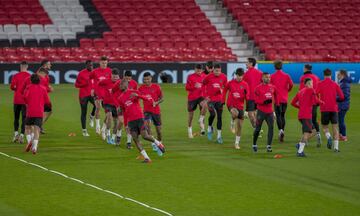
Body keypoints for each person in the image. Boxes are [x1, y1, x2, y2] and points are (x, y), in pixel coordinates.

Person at [116, 79, 165, 163]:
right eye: (120, 84)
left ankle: (158, 143)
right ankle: (147, 158)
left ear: (126, 84)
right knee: (135, 139)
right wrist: (126, 125)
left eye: (122, 84)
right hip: (131, 121)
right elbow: (124, 112)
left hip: (139, 118)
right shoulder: (120, 98)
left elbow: (148, 99)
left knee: (145, 136)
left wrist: (138, 96)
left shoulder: (134, 92)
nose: (120, 85)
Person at [291, 78, 322, 157]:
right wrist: (323, 102)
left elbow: (292, 103)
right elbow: (316, 100)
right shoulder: (311, 90)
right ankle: (300, 152)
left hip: (301, 115)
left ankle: (299, 144)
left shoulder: (300, 92)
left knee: (314, 131)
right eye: (310, 83)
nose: (311, 85)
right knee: (307, 133)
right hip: (306, 115)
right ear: (306, 84)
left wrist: (300, 107)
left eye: (311, 83)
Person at [316, 69, 344, 152]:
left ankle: (329, 137)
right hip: (334, 108)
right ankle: (336, 148)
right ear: (331, 75)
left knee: (325, 127)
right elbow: (342, 97)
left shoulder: (320, 84)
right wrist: (335, 100)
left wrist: (319, 101)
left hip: (324, 108)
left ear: (324, 75)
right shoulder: (335, 84)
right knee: (335, 127)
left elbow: (315, 94)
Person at [24, 73, 51, 154]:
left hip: (30, 111)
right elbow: (47, 101)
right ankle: (35, 147)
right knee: (37, 130)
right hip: (39, 112)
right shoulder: (43, 89)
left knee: (27, 127)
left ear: (31, 80)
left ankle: (29, 142)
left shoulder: (28, 88)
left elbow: (25, 98)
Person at [223, 68, 249, 149]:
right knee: (235, 113)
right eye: (238, 76)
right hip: (231, 104)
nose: (240, 78)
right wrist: (223, 100)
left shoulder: (245, 85)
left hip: (240, 106)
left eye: (241, 76)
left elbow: (247, 97)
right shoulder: (230, 83)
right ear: (236, 75)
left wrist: (247, 110)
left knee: (240, 126)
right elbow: (224, 90)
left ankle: (237, 143)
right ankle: (232, 122)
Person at [253, 72, 278, 153]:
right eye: (266, 77)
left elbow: (276, 95)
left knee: (271, 128)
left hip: (270, 112)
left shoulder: (273, 87)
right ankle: (254, 144)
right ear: (262, 78)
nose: (268, 79)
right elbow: (256, 100)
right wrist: (264, 102)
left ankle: (269, 146)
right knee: (258, 129)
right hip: (261, 111)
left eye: (269, 77)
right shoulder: (258, 88)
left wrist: (277, 105)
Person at [139, 72, 164, 153]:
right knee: (147, 125)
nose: (146, 81)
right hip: (147, 111)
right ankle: (154, 143)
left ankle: (160, 144)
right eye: (145, 79)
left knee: (159, 131)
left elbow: (162, 98)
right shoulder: (141, 88)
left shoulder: (156, 87)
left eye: (148, 79)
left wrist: (156, 103)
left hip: (156, 111)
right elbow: (137, 97)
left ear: (151, 78)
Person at [203, 64, 227, 144]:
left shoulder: (224, 77)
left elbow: (225, 87)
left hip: (219, 100)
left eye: (219, 71)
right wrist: (205, 96)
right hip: (210, 100)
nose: (218, 73)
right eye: (216, 71)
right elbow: (203, 85)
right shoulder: (208, 77)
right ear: (213, 70)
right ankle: (209, 128)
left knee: (219, 117)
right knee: (212, 114)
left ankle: (219, 136)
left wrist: (222, 90)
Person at [270, 60, 293, 142]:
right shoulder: (286, 76)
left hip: (277, 99)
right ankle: (282, 130)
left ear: (274, 66)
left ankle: (281, 131)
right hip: (284, 98)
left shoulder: (272, 76)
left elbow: (270, 87)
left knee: (278, 115)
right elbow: (291, 85)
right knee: (283, 115)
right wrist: (287, 90)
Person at [299, 64, 321, 146]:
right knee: (314, 120)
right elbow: (319, 89)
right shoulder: (316, 77)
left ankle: (305, 140)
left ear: (305, 69)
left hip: (306, 103)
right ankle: (318, 135)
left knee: (305, 121)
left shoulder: (303, 78)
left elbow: (301, 91)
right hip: (315, 101)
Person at [98, 68, 121, 144]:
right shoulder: (105, 81)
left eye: (116, 77)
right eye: (113, 77)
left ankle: (112, 136)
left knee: (116, 122)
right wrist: (101, 95)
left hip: (116, 104)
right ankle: (107, 134)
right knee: (109, 116)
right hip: (107, 103)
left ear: (118, 76)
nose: (115, 78)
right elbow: (98, 85)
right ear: (111, 75)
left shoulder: (120, 83)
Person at [10, 61, 31, 143]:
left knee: (16, 118)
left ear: (20, 66)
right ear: (27, 66)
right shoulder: (29, 76)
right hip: (25, 101)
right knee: (24, 118)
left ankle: (16, 134)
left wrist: (17, 89)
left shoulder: (15, 76)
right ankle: (22, 135)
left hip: (17, 100)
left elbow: (12, 87)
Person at [90, 56, 112, 134]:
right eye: (103, 63)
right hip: (97, 92)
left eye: (105, 63)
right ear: (100, 63)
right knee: (98, 107)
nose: (104, 64)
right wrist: (92, 88)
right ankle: (97, 126)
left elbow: (112, 81)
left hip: (106, 94)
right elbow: (91, 79)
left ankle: (104, 127)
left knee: (109, 112)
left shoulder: (110, 71)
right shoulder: (95, 71)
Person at [75, 60, 96, 136]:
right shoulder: (81, 73)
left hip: (92, 94)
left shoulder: (94, 73)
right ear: (86, 65)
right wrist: (84, 84)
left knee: (97, 106)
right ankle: (84, 131)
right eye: (89, 65)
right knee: (83, 112)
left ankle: (92, 116)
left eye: (92, 65)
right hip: (83, 95)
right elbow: (76, 85)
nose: (91, 67)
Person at [185, 64, 206, 138]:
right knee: (191, 115)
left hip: (201, 97)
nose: (198, 71)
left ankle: (202, 128)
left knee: (204, 107)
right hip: (192, 98)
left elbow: (206, 87)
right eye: (197, 70)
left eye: (200, 70)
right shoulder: (190, 76)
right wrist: (194, 86)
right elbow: (187, 88)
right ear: (195, 69)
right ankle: (189, 130)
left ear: (202, 70)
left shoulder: (204, 76)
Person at [243, 58, 263, 129]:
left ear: (251, 64)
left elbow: (243, 86)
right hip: (258, 97)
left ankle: (257, 129)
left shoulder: (246, 74)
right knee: (255, 113)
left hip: (250, 97)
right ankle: (257, 129)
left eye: (247, 62)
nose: (246, 63)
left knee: (250, 114)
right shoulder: (260, 73)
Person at [123, 70, 138, 148]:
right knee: (126, 124)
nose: (128, 80)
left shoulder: (134, 83)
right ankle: (118, 136)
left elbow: (136, 94)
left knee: (131, 124)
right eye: (127, 78)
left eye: (130, 78)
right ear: (124, 77)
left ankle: (129, 142)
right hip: (124, 106)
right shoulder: (121, 84)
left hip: (132, 107)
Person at [39, 59, 53, 134]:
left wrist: (48, 87)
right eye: (49, 64)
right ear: (45, 64)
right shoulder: (41, 72)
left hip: (43, 95)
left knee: (47, 111)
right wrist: (48, 89)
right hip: (41, 95)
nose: (50, 65)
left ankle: (39, 126)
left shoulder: (44, 72)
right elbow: (40, 85)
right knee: (47, 111)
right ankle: (38, 126)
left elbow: (45, 84)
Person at [337, 69, 351, 141]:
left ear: (342, 75)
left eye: (338, 74)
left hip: (343, 105)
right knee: (340, 120)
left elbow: (344, 96)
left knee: (341, 120)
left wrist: (335, 98)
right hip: (343, 104)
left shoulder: (344, 84)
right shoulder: (343, 83)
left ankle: (344, 136)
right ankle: (341, 135)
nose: (337, 76)